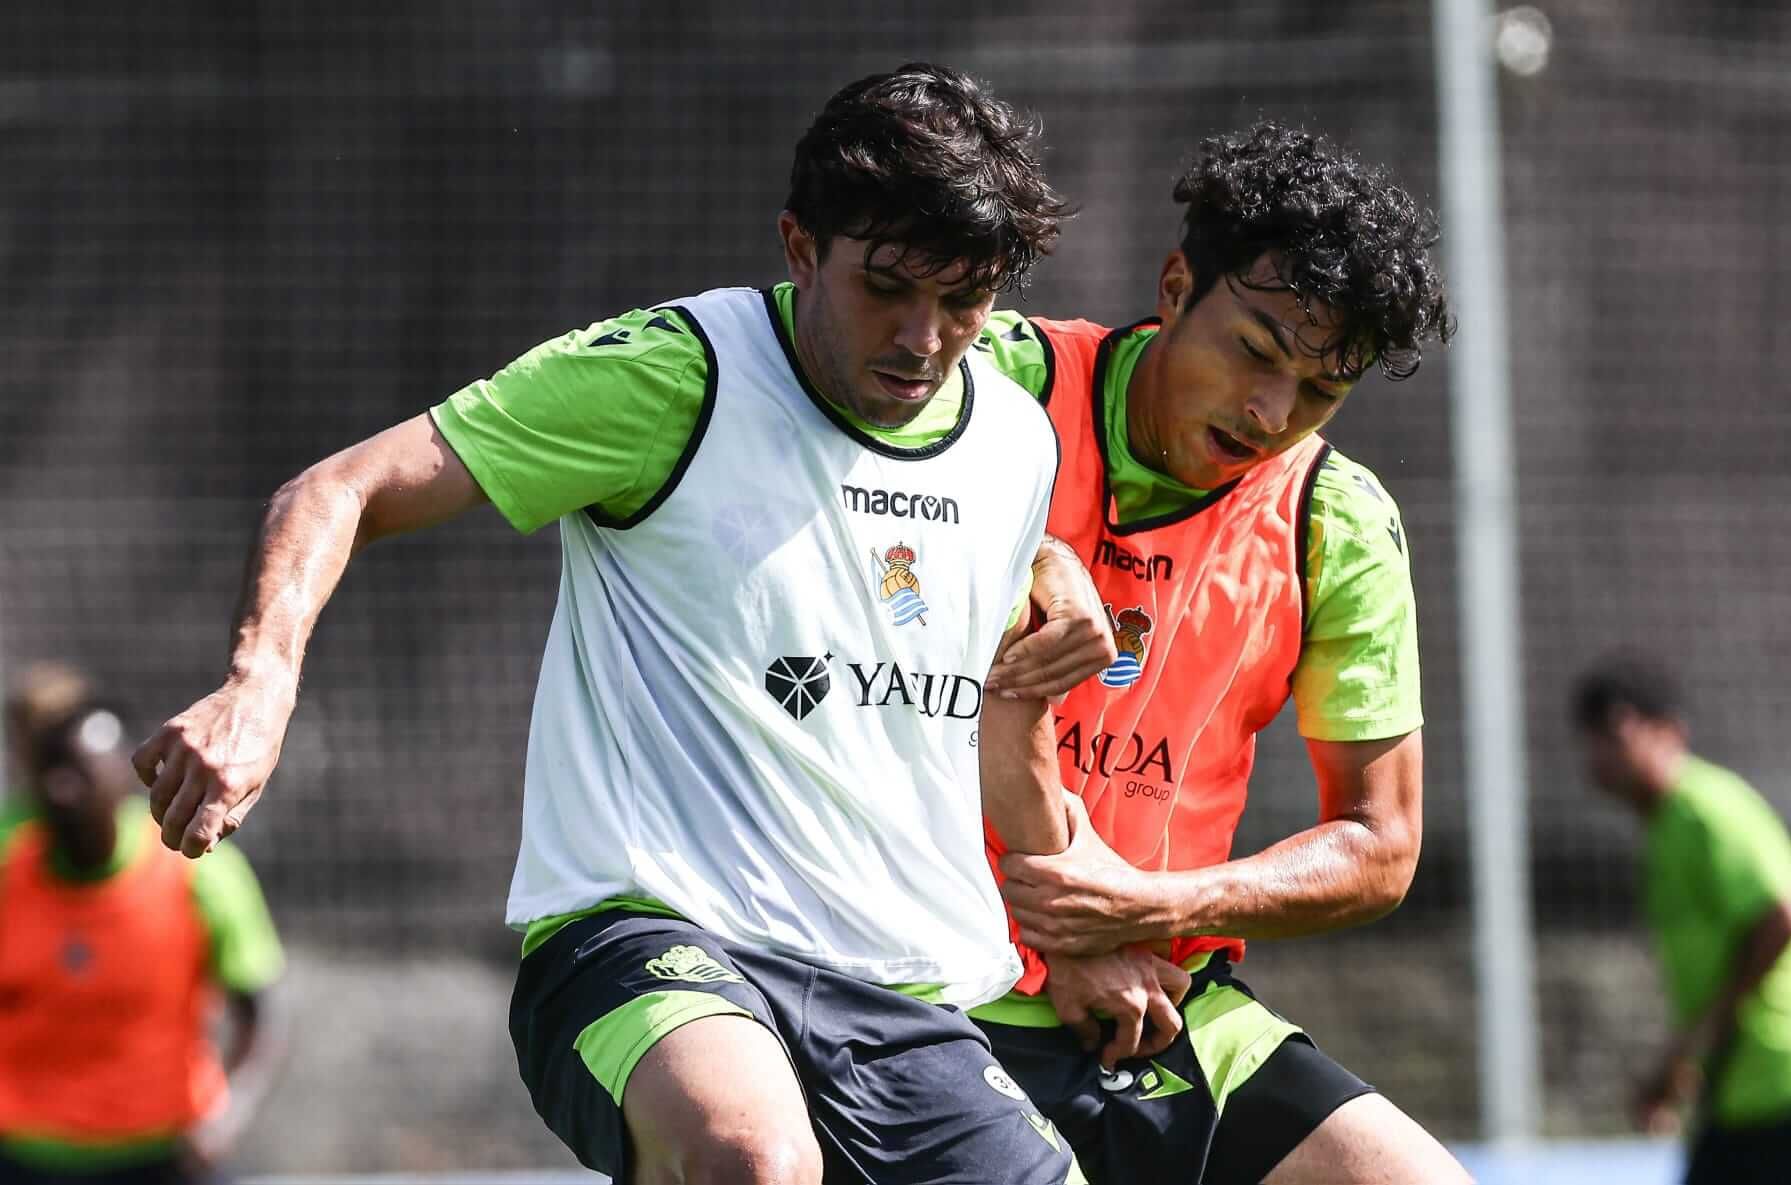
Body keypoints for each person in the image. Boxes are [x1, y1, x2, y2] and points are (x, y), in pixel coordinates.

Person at [132, 64, 1100, 1185]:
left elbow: (960, 615)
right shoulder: (670, 377)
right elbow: (338, 488)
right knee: (754, 1159)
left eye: (963, 299)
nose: (924, 339)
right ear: (799, 248)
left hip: (894, 983)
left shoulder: (1014, 437)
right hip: (646, 936)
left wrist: (1053, 568)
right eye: (885, 287)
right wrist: (261, 684)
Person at [969, 124, 1470, 1184]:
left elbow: (1379, 844)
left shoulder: (1333, 517)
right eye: (1253, 351)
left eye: (1320, 393)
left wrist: (1152, 909)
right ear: (1172, 285)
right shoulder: (991, 382)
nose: (1269, 413)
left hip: (1161, 993)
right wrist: (1041, 554)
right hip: (929, 978)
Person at [1571, 653, 1791, 1185]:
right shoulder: (1661, 835)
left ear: (1670, 730)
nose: (1602, 753)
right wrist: (1679, 1064)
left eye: (1616, 730)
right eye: (1591, 737)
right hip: (1740, 1101)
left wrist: (1699, 1038)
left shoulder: (1708, 806)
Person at [1, 663, 285, 1185]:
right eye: (49, 772)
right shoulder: (9, 867)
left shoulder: (197, 872)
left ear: (123, 779)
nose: (63, 792)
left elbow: (258, 1010)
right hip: (26, 1156)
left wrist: (229, 1115)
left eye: (79, 774)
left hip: (164, 1152)